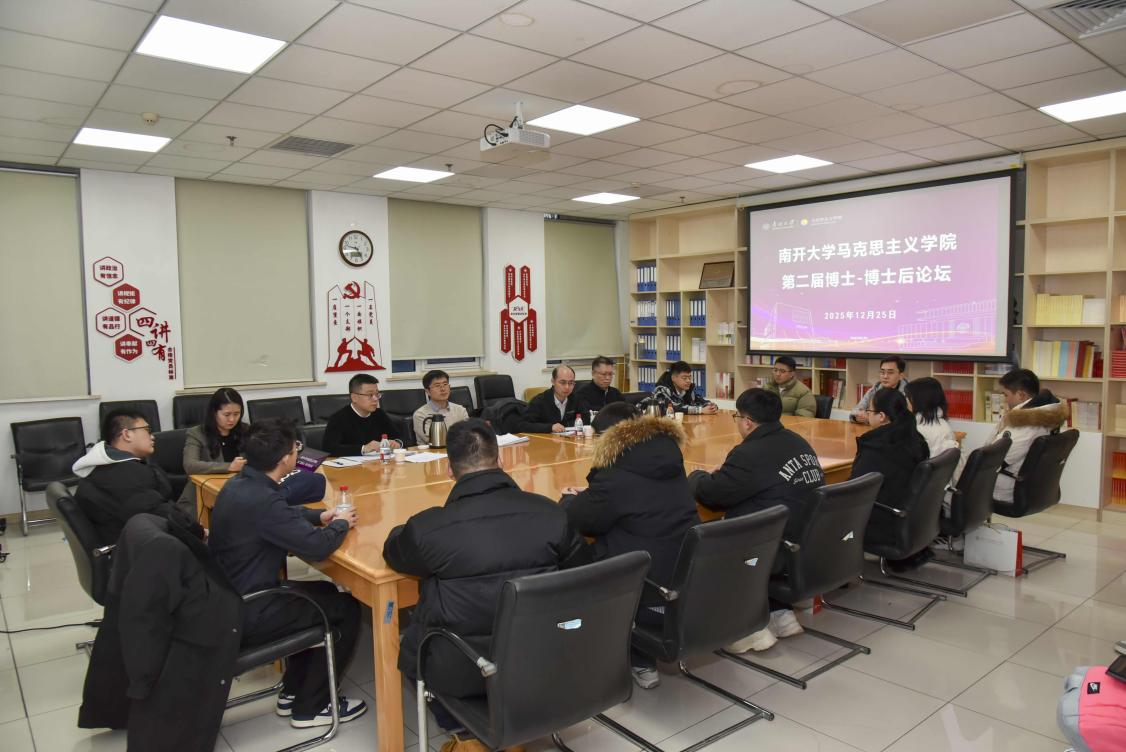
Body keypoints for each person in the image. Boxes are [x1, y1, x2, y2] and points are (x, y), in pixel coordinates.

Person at [383, 420, 588, 752]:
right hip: (542, 656)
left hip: (462, 670)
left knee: (411, 646)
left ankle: (465, 733)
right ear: (501, 461)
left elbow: (395, 552)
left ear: (449, 470)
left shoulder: (429, 528)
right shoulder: (551, 514)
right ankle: (512, 721)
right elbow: (582, 572)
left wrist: (400, 531)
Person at [208, 418, 366, 728]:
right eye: (296, 449)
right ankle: (313, 706)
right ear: (285, 459)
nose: (298, 453)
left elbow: (280, 514)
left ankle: (293, 691)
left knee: (325, 592)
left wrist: (319, 515)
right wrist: (340, 524)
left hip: (230, 597)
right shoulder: (263, 498)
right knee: (347, 608)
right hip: (250, 609)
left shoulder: (242, 484)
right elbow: (317, 547)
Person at [560, 402, 699, 690]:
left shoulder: (615, 473)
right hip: (686, 581)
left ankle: (625, 651)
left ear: (609, 439)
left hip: (647, 589)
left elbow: (583, 519)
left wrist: (571, 499)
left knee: (572, 551)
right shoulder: (669, 458)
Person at [687, 389, 824, 653]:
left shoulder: (748, 454)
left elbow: (713, 496)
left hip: (768, 549)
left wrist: (698, 476)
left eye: (737, 417)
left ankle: (747, 627)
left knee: (707, 537)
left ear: (748, 422)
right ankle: (779, 613)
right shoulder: (798, 442)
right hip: (803, 542)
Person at [179, 387, 326, 514]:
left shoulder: (245, 430)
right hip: (202, 497)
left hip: (244, 490)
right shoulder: (197, 434)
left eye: (236, 414)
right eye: (226, 415)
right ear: (214, 413)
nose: (232, 420)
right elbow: (190, 465)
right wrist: (228, 467)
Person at [849, 388, 930, 567]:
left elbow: (854, 489)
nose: (866, 415)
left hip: (883, 523)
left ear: (882, 416)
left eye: (869, 411)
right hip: (909, 518)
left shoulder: (877, 448)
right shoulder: (915, 438)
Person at [72, 409, 177, 545]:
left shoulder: (103, 465)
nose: (152, 437)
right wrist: (197, 530)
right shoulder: (126, 475)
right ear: (127, 434)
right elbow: (161, 514)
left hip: (120, 537)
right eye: (147, 430)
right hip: (134, 548)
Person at [990, 368, 1069, 503]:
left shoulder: (1025, 426)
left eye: (1006, 395)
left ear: (1021, 395)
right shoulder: (1045, 417)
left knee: (953, 482)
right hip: (1029, 485)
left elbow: (995, 459)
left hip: (1004, 488)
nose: (1005, 400)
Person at [904, 377, 966, 517]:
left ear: (917, 400)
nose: (905, 401)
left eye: (907, 397)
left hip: (921, 499)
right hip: (938, 497)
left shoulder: (918, 431)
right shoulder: (943, 425)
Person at [323, 373, 403, 455]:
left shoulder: (379, 414)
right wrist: (363, 448)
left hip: (378, 461)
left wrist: (397, 443)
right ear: (354, 397)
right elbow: (329, 448)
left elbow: (400, 437)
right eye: (370, 395)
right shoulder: (338, 418)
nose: (375, 399)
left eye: (377, 394)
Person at [515, 364, 585, 433]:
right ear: (553, 381)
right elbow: (522, 425)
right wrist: (550, 427)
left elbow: (586, 419)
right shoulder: (539, 401)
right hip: (545, 439)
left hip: (569, 438)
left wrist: (567, 425)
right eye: (562, 382)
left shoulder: (576, 398)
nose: (567, 387)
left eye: (571, 383)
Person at [412, 369, 470, 445]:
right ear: (428, 391)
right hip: (432, 451)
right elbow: (435, 440)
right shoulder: (420, 415)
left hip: (458, 450)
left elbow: (469, 434)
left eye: (445, 384)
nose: (443, 389)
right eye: (437, 386)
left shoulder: (460, 410)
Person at [850, 356, 908, 424]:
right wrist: (857, 417)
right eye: (882, 372)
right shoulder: (876, 388)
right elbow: (856, 410)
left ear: (901, 376)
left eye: (890, 372)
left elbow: (902, 421)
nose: (885, 376)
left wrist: (870, 418)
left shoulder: (908, 394)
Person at [651, 361, 718, 415]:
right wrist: (700, 410)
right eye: (684, 378)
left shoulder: (688, 389)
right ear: (673, 378)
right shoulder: (661, 390)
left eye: (689, 377)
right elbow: (672, 407)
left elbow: (700, 401)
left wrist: (711, 406)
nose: (688, 381)